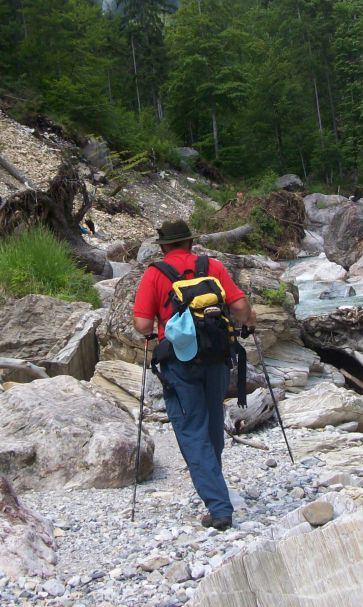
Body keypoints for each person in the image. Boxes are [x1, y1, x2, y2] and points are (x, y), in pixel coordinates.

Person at [133, 219, 254, 531]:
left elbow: (143, 326)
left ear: (163, 246)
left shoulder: (155, 273)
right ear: (190, 243)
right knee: (213, 421)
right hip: (217, 356)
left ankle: (219, 508)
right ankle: (215, 484)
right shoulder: (212, 266)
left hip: (179, 362)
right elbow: (239, 304)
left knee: (190, 430)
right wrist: (249, 323)